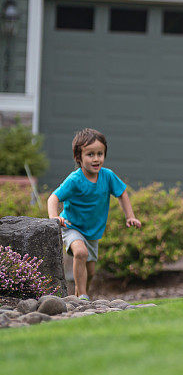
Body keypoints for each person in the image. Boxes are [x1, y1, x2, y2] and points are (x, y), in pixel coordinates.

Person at [47, 128, 141, 299]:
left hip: (92, 233)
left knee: (90, 272)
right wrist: (54, 218)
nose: (96, 159)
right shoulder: (75, 179)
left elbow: (122, 193)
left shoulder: (108, 176)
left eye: (100, 154)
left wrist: (130, 216)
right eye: (90, 154)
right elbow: (53, 198)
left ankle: (80, 294)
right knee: (80, 253)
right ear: (78, 157)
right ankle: (82, 294)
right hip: (71, 226)